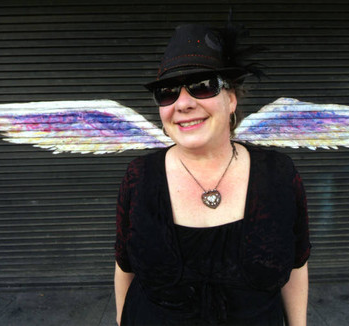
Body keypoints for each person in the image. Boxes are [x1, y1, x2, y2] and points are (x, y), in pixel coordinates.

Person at [114, 22, 311, 326]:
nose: (182, 103)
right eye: (167, 92)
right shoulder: (139, 177)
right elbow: (125, 267)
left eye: (202, 85)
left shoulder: (278, 174)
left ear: (231, 99)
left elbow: (296, 265)